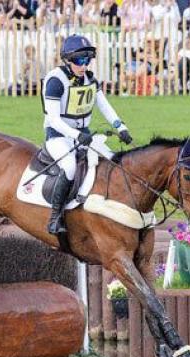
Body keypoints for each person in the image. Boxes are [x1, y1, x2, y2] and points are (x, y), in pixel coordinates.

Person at [40, 34, 133, 235]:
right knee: (70, 167)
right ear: (67, 60)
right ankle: (55, 218)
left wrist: (121, 127)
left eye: (87, 60)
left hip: (84, 135)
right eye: (79, 61)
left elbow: (104, 106)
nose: (84, 65)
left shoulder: (89, 79)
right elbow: (54, 119)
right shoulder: (56, 81)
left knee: (111, 160)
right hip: (58, 136)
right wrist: (75, 134)